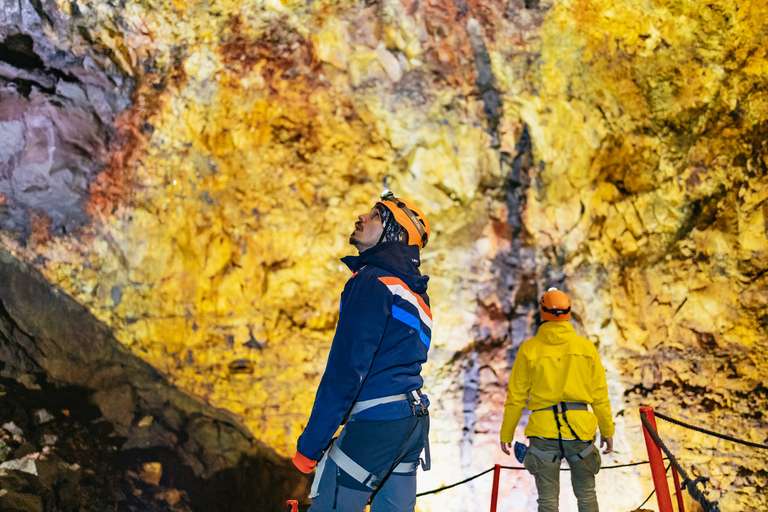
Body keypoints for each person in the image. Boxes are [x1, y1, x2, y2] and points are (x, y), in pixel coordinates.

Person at [293, 191, 433, 512]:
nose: (361, 217)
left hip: (376, 423)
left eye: (374, 215)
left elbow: (346, 371)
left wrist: (310, 447)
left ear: (393, 233)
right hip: (410, 423)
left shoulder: (372, 281)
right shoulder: (415, 292)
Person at [499, 288, 614, 512]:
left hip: (543, 433)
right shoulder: (586, 348)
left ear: (543, 313)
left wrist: (507, 433)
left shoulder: (528, 349)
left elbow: (516, 398)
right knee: (587, 495)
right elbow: (600, 395)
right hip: (580, 430)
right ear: (569, 312)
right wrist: (607, 430)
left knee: (547, 501)